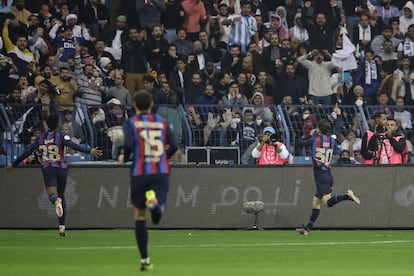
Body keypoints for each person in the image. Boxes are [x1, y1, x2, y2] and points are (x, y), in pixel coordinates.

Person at [4, 114, 103, 236]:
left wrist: (13, 165)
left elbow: (27, 152)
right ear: (58, 124)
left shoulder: (40, 138)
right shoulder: (62, 136)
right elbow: (72, 145)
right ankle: (62, 226)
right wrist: (90, 151)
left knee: (54, 196)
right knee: (62, 195)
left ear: (47, 124)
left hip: (48, 169)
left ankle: (56, 201)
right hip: (61, 169)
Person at [118, 90, 178, 271]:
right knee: (157, 214)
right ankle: (155, 205)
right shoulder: (162, 122)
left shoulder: (130, 123)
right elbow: (174, 145)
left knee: (139, 215)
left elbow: (128, 144)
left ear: (134, 105)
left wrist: (125, 156)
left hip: (140, 172)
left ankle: (145, 259)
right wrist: (163, 158)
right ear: (152, 104)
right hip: (160, 171)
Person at [296, 119, 360, 236]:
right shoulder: (331, 140)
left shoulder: (315, 139)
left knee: (327, 203)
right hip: (327, 174)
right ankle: (307, 229)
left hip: (320, 175)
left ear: (318, 129)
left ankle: (347, 196)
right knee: (316, 201)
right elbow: (338, 151)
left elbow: (299, 143)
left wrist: (309, 135)